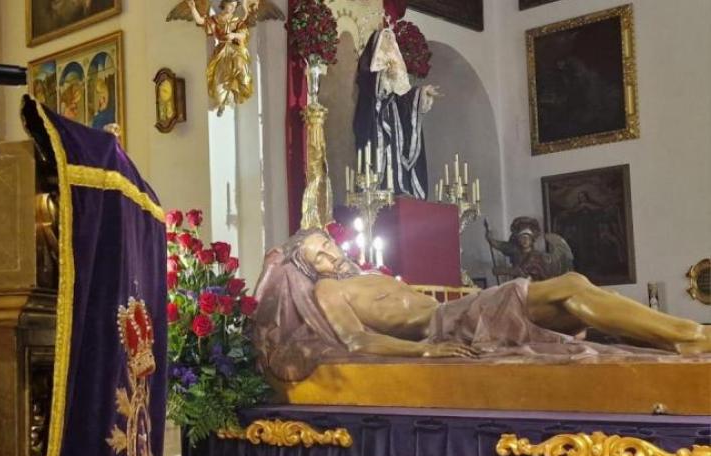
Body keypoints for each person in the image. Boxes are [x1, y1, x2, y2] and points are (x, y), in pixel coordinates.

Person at [254, 229, 711, 382]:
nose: (331, 254)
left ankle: (681, 341)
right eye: (318, 254)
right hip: (448, 323)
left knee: (573, 300)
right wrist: (426, 351)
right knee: (570, 283)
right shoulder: (327, 292)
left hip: (464, 312)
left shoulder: (365, 276)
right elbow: (356, 339)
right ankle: (691, 336)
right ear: (306, 268)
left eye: (328, 244)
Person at [353, 26, 440, 199]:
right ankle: (382, 188)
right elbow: (372, 95)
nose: (389, 51)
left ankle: (400, 188)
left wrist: (421, 94)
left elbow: (404, 96)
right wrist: (383, 78)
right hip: (376, 132)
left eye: (392, 46)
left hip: (396, 132)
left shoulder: (397, 93)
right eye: (385, 46)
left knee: (397, 157)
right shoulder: (369, 81)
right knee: (381, 158)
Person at [485, 216, 573, 282]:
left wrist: (503, 270)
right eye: (522, 238)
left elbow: (522, 271)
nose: (525, 241)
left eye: (527, 238)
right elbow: (499, 245)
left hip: (533, 288)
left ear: (532, 240)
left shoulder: (537, 256)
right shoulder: (515, 251)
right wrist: (489, 237)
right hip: (516, 285)